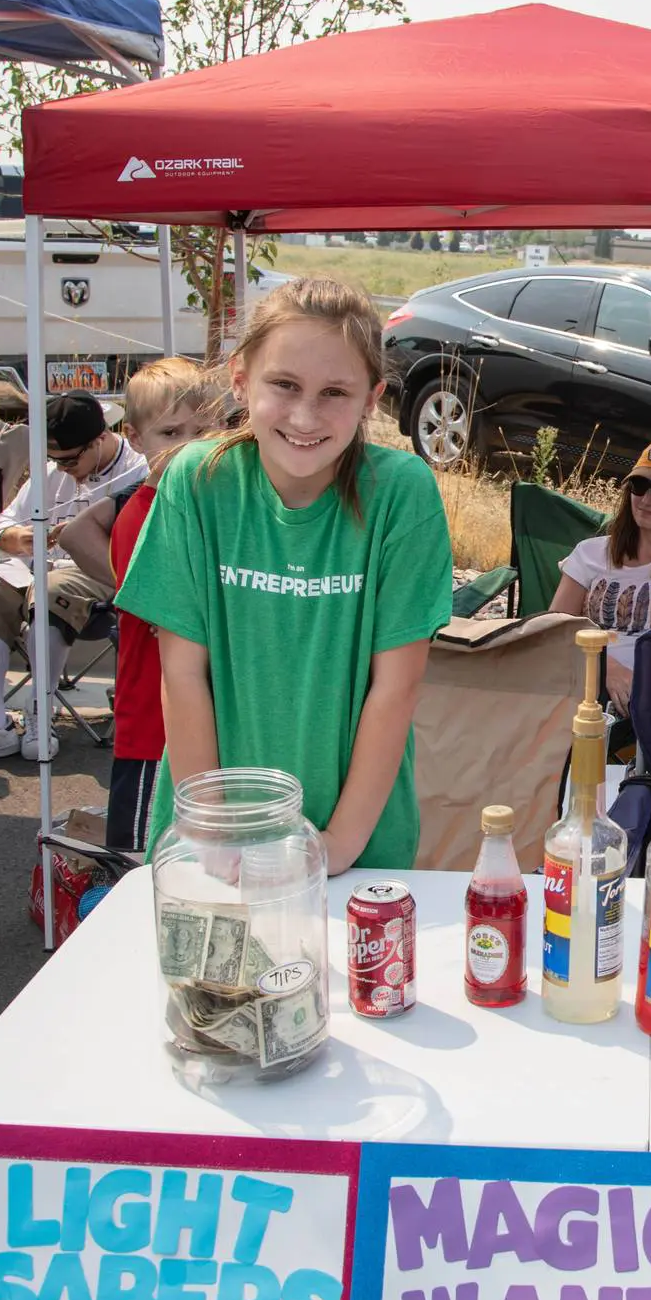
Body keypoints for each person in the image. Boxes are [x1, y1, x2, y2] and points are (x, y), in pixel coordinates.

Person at [117, 277, 452, 874]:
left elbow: (396, 688)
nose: (304, 415)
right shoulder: (197, 481)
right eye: (284, 385)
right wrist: (214, 834)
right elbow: (182, 674)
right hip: (211, 834)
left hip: (358, 845)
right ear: (240, 379)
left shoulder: (402, 493)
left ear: (372, 398)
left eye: (334, 392)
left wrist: (336, 846)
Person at [0, 391, 146, 767]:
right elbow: (3, 525)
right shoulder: (51, 474)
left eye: (70, 459)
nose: (62, 468)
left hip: (102, 577)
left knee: (49, 590)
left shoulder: (138, 470)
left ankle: (40, 712)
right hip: (36, 572)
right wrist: (20, 538)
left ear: (100, 439)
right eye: (54, 460)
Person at [55, 358, 220, 853]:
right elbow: (179, 617)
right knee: (147, 861)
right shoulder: (143, 516)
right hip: (153, 728)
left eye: (202, 431)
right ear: (135, 437)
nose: (189, 445)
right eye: (171, 432)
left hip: (201, 726)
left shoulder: (207, 506)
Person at [548, 437, 651, 711]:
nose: (646, 500)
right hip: (584, 688)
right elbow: (554, 632)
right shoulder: (590, 553)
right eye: (639, 486)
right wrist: (605, 666)